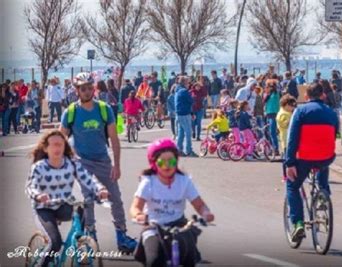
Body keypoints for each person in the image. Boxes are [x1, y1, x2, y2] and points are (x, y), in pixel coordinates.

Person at [60, 72, 137, 253]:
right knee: (88, 201)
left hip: (103, 160)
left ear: (93, 89)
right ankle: (90, 238)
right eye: (83, 89)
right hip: (82, 162)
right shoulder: (71, 112)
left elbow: (114, 139)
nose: (87, 92)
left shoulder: (104, 109)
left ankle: (122, 236)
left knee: (115, 199)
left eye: (89, 88)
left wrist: (116, 165)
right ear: (77, 91)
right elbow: (59, 139)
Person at [25, 130, 109, 267]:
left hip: (63, 206)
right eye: (54, 145)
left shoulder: (72, 164)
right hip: (44, 209)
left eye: (60, 145)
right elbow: (31, 187)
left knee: (81, 209)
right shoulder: (39, 167)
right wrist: (38, 195)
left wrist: (100, 189)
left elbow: (87, 178)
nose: (57, 148)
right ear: (46, 148)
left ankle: (79, 242)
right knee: (55, 242)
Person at [130, 139, 215, 267]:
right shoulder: (148, 182)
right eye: (162, 162)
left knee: (190, 258)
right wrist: (139, 215)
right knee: (154, 260)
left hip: (179, 226)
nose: (167, 165)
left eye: (171, 161)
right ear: (154, 163)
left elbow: (199, 204)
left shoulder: (184, 181)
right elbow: (135, 207)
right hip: (154, 227)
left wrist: (206, 213)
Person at [285, 83, 338, 243]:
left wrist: (289, 162)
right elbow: (335, 133)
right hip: (326, 155)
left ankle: (298, 223)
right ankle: (323, 194)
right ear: (323, 95)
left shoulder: (300, 111)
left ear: (306, 97)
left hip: (305, 157)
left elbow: (292, 138)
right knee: (323, 165)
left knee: (292, 186)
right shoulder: (331, 112)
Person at [175, 76, 198, 157]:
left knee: (181, 133)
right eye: (188, 82)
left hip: (179, 113)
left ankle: (179, 150)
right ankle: (189, 150)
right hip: (184, 114)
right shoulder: (184, 91)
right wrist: (193, 96)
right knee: (188, 132)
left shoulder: (177, 90)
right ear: (185, 83)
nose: (189, 84)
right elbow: (191, 101)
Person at [263, 80, 281, 155]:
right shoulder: (269, 94)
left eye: (267, 86)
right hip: (269, 114)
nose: (265, 88)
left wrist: (269, 90)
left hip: (273, 114)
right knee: (270, 132)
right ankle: (272, 147)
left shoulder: (275, 93)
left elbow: (265, 100)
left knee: (272, 132)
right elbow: (264, 102)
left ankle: (275, 149)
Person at [190, 76, 207, 141]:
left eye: (199, 87)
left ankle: (198, 136)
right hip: (193, 110)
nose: (198, 87)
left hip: (200, 109)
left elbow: (205, 93)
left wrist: (201, 85)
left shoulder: (201, 92)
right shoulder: (191, 92)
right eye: (197, 86)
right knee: (193, 122)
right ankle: (193, 132)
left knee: (199, 123)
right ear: (194, 86)